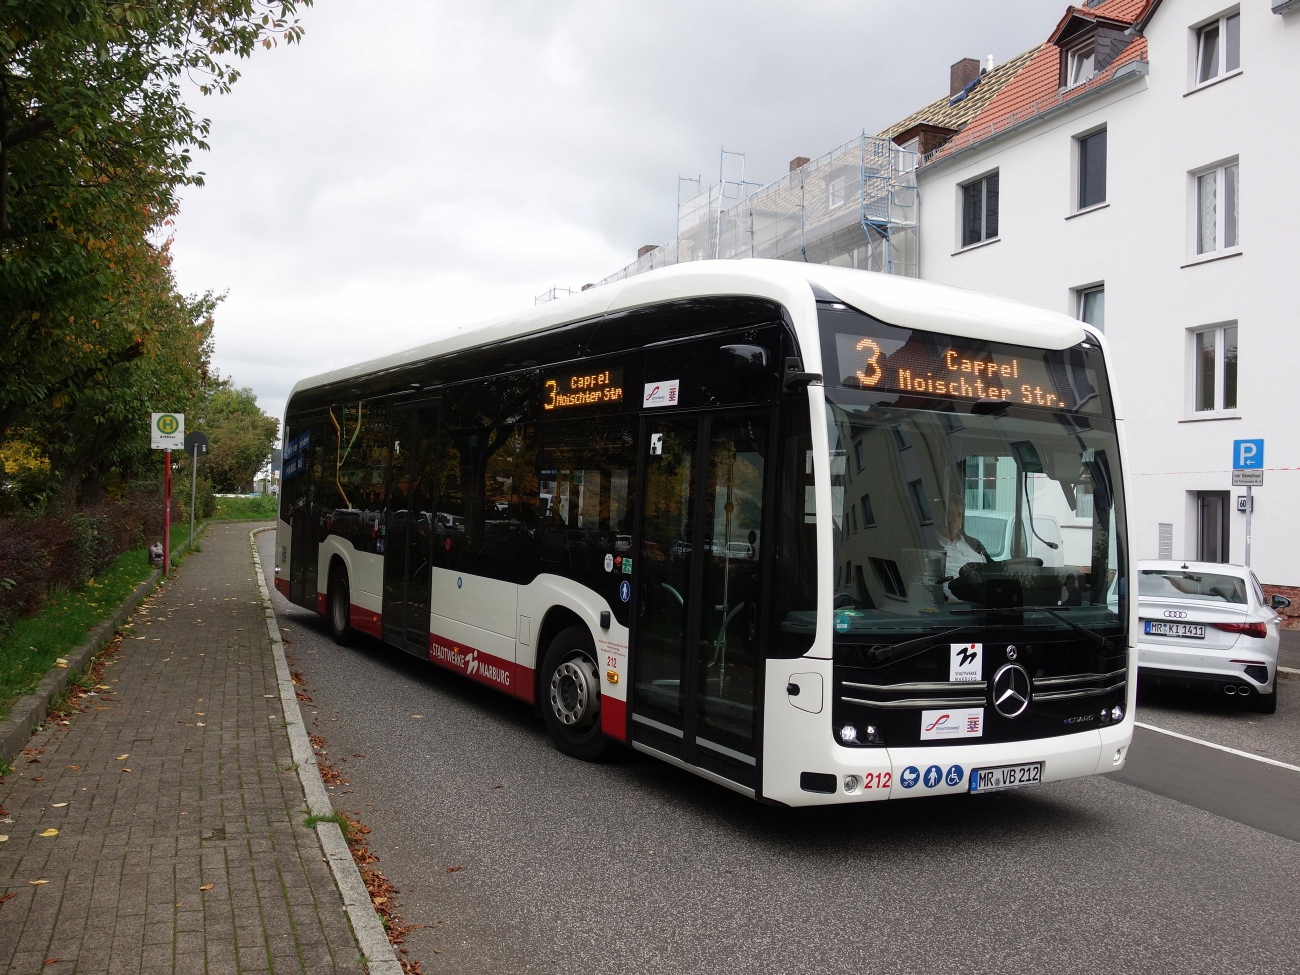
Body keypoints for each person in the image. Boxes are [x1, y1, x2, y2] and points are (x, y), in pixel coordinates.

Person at [935, 489, 991, 588]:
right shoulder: (929, 544)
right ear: (939, 516)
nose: (955, 519)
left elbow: (993, 570)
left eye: (959, 515)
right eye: (949, 514)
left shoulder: (975, 544)